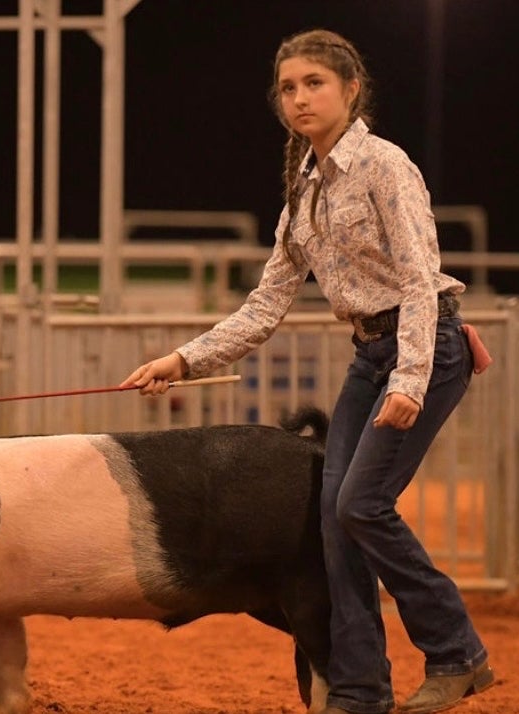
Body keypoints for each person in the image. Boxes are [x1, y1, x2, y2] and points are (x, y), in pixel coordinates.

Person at [122, 29, 495, 714]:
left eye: (314, 83)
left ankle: (456, 652)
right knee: (334, 516)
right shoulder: (305, 192)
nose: (299, 98)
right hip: (371, 355)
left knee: (360, 505)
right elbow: (265, 305)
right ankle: (359, 690)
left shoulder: (385, 166)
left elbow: (418, 281)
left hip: (425, 350)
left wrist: (410, 381)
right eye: (289, 87)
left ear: (351, 90)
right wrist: (182, 360)